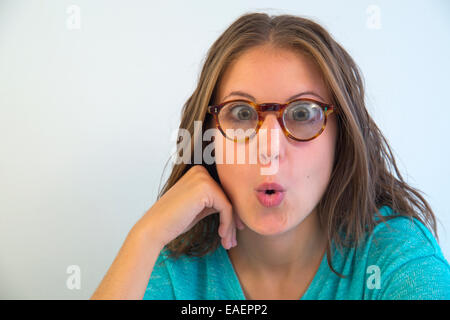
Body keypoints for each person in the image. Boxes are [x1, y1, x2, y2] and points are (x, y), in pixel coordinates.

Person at [91, 12, 450, 300]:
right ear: (208, 137)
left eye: (303, 113)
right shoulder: (172, 268)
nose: (269, 149)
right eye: (242, 114)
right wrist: (145, 237)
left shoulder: (395, 258)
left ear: (342, 139)